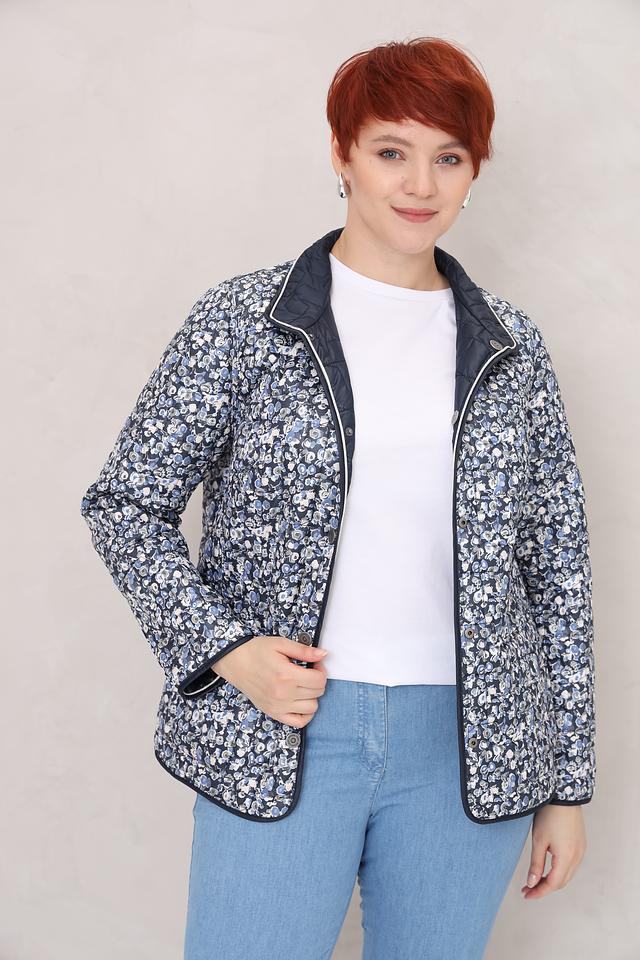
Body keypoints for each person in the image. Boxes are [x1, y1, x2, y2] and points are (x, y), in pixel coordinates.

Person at [80, 35, 596, 960]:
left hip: (469, 744)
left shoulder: (512, 349)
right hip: (286, 727)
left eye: (449, 157)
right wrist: (227, 652)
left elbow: (557, 572)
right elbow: (125, 504)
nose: (420, 184)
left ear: (475, 171)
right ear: (341, 154)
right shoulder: (243, 321)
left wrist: (564, 786)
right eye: (392, 150)